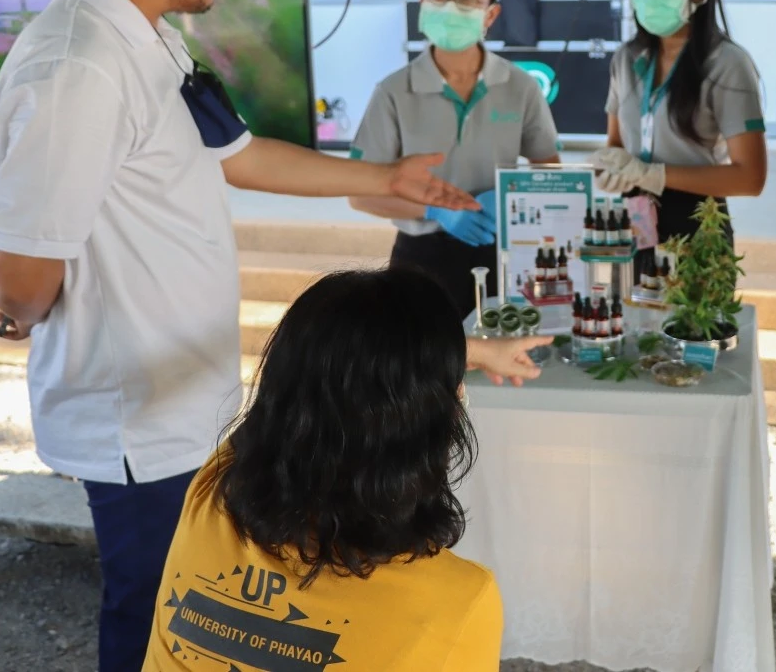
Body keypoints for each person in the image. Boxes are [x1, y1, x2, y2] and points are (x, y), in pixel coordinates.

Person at [0, 0, 544, 670]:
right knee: (152, 616)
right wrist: (22, 314)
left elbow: (239, 155)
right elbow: (20, 277)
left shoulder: (149, 38)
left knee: (208, 616)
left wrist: (391, 178)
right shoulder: (78, 67)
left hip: (188, 399)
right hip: (140, 415)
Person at [144, 267, 516, 671]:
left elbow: (297, 399)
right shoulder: (456, 603)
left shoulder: (211, 494)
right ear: (432, 423)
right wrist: (439, 366)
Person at [350, 0, 561, 312]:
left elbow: (550, 173)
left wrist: (513, 200)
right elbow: (361, 194)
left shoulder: (520, 86)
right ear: (423, 1)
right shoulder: (394, 91)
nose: (450, 5)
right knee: (419, 362)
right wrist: (435, 210)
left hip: (504, 253)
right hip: (420, 258)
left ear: (490, 14)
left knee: (500, 357)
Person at [590, 0, 767, 278]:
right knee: (630, 327)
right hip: (634, 224)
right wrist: (609, 169)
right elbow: (616, 145)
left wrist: (655, 175)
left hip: (698, 225)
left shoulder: (727, 64)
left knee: (690, 328)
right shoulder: (627, 59)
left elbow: (750, 178)